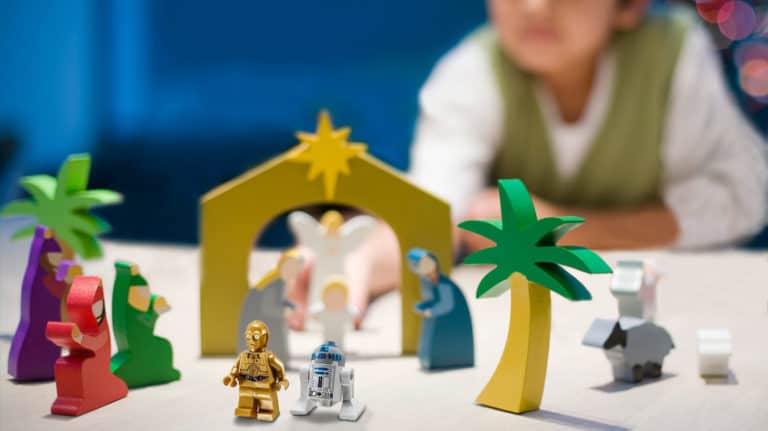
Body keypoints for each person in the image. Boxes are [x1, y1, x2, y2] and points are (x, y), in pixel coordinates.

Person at [292, 0, 768, 328]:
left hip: (668, 307)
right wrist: (355, 261)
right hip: (527, 320)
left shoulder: (673, 55)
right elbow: (434, 209)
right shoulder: (471, 72)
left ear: (630, 5)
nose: (535, 6)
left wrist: (556, 230)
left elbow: (744, 198)